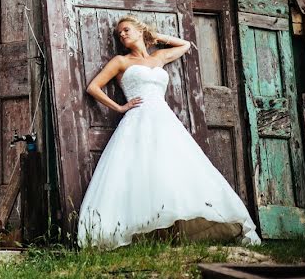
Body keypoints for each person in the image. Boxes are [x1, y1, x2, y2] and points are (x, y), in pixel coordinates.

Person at [77, 16, 261, 250]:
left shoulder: (159, 57)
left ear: (139, 30)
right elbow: (92, 87)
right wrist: (120, 107)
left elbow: (185, 45)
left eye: (126, 30)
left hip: (164, 120)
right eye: (119, 34)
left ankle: (172, 231)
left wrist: (157, 37)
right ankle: (143, 234)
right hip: (137, 119)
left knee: (171, 169)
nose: (122, 35)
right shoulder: (121, 61)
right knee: (141, 171)